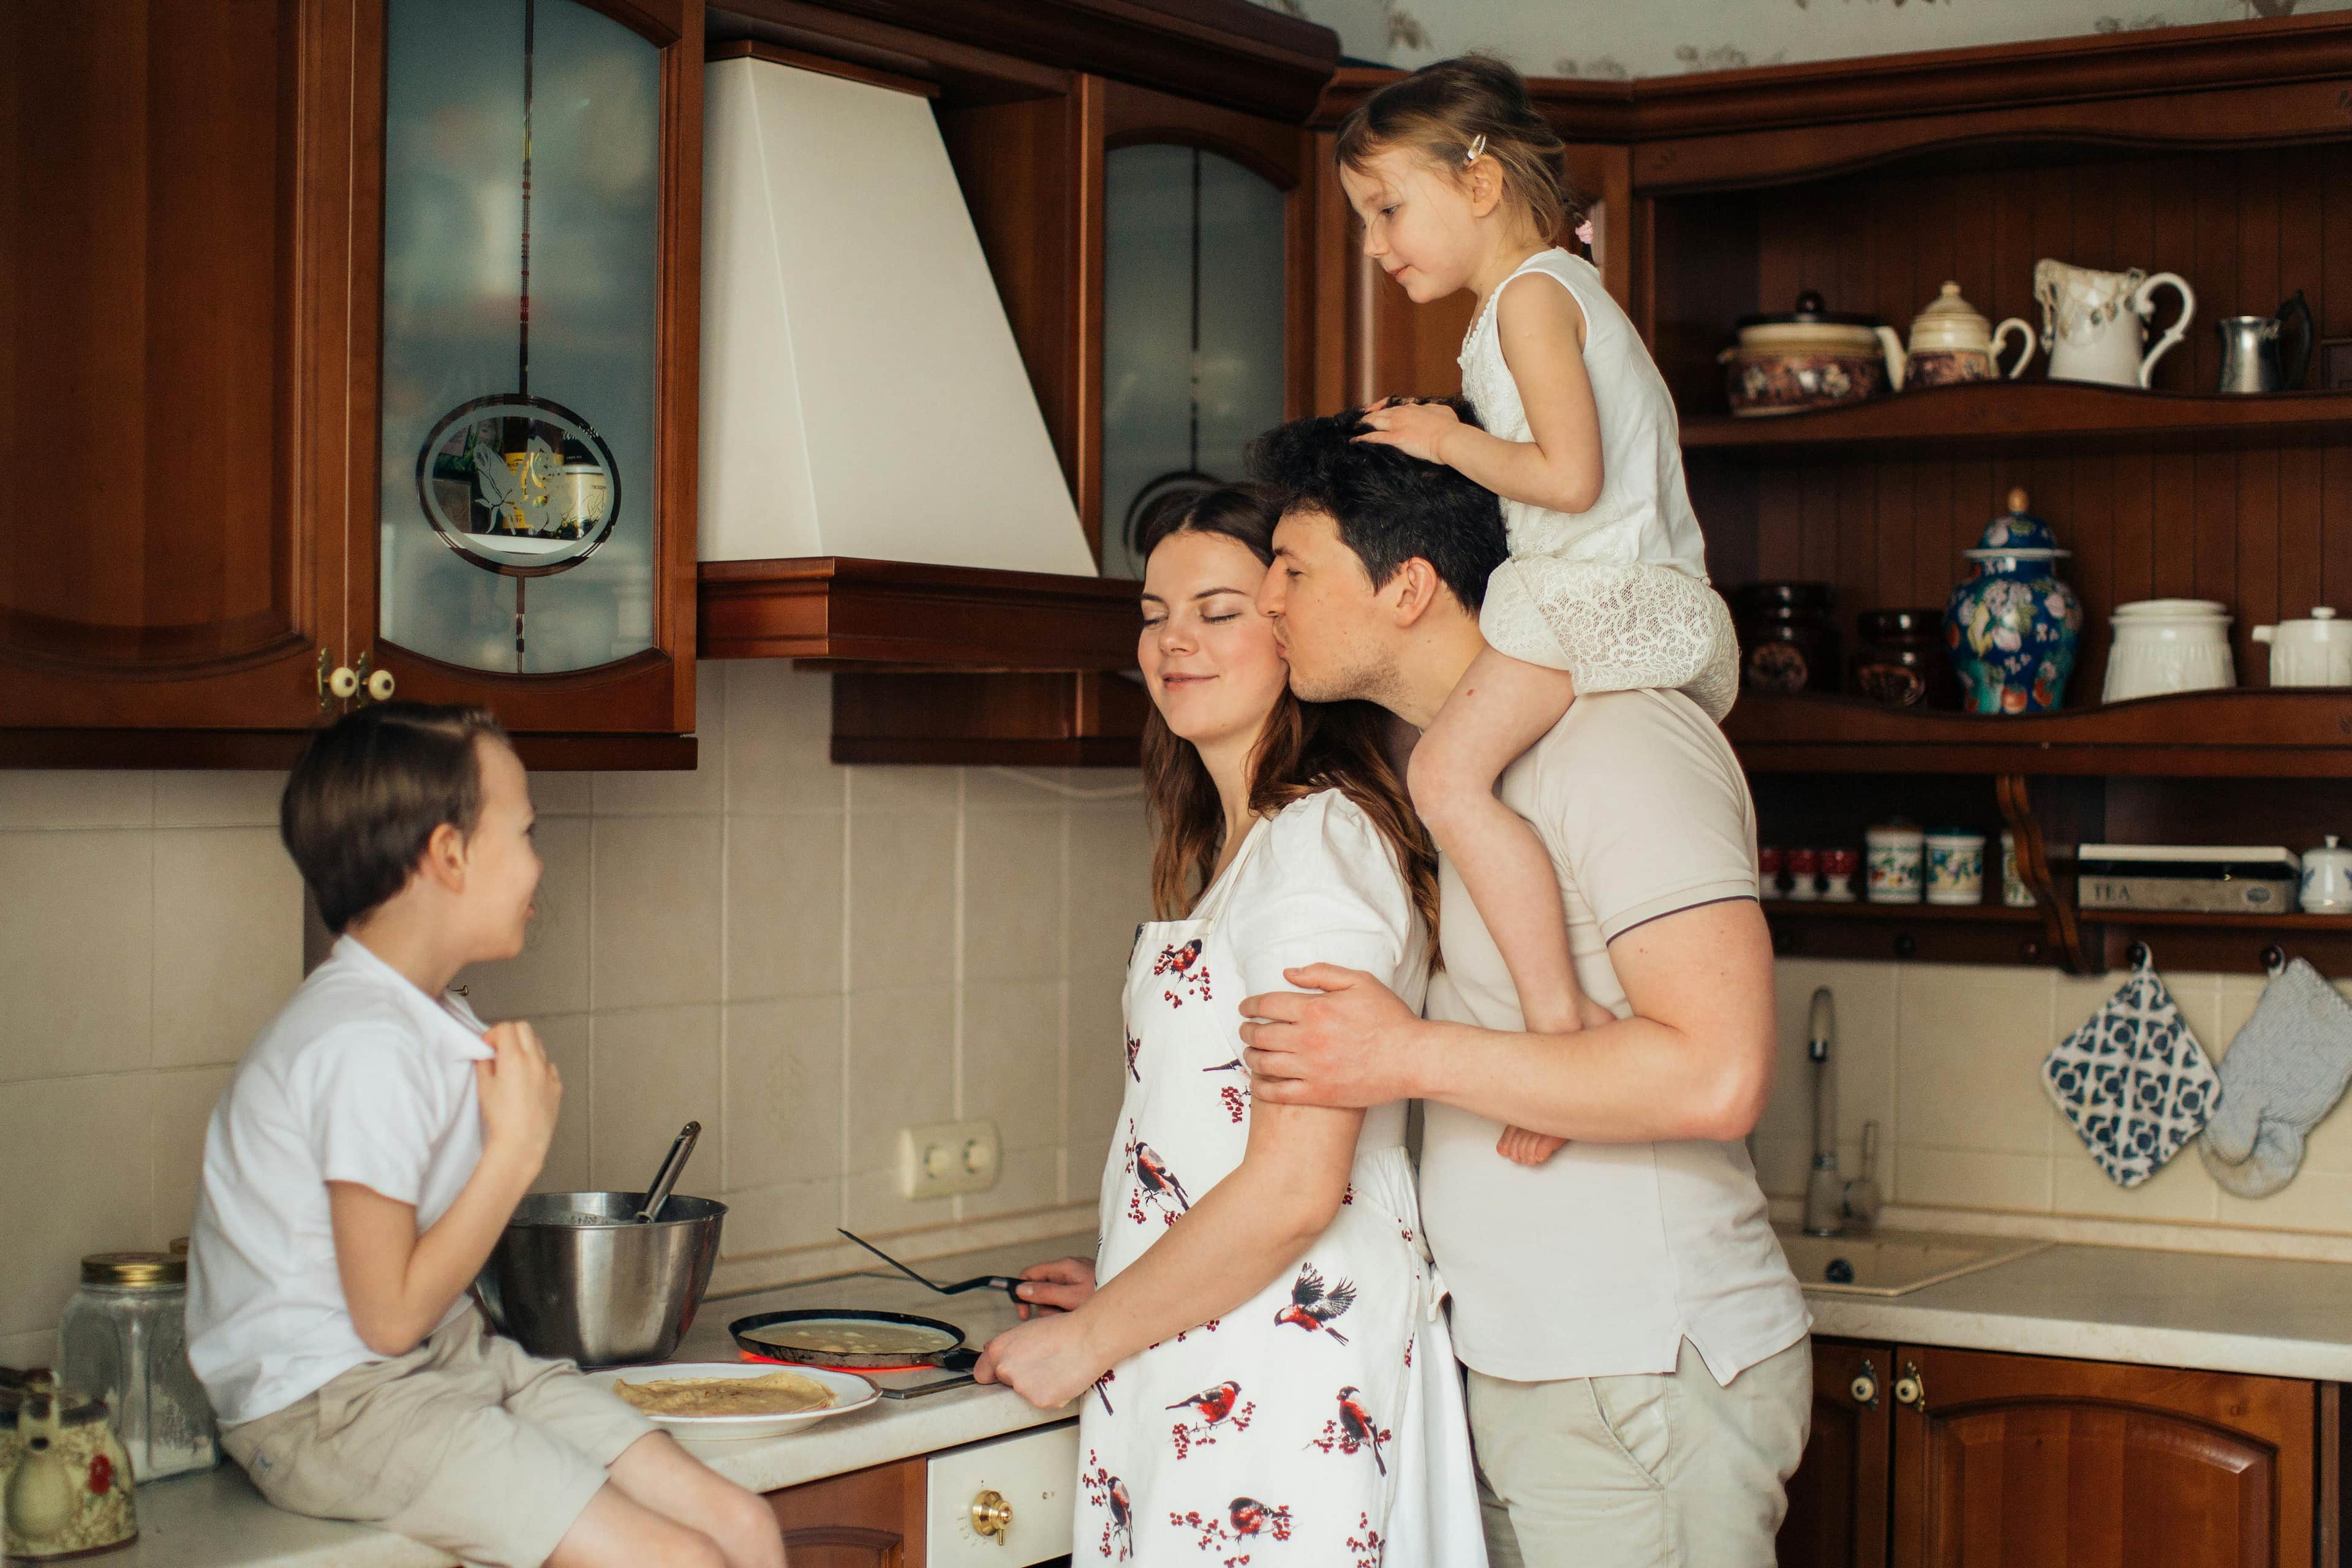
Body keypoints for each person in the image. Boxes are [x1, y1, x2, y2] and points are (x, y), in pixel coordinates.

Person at [1240, 409, 1811, 1568]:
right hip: (1543, 1369)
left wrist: (1399, 1054)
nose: (1267, 603)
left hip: (1639, 1374)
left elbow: (1719, 1071)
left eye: (1292, 571)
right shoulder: (1459, 766)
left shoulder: (1619, 737)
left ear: (1407, 586)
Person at [973, 485, 1486, 1566]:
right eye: (1155, 613)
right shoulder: (1253, 845)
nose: (1172, 643)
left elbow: (1302, 1184)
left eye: (1218, 610)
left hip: (1289, 1371)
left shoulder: (1315, 850)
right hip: (1229, 1339)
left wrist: (1088, 1341)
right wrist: (1134, 1260)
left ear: (1291, 626)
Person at [185, 704, 784, 1568]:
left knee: (743, 1527)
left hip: (454, 1362)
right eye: (526, 830)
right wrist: (516, 1152)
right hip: (332, 1408)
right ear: (449, 855)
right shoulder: (360, 1044)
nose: (540, 862)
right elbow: (386, 1318)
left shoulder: (427, 1017)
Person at [1335, 57, 1740, 1166]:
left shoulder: (1530, 300)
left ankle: (1558, 1029)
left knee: (1444, 778)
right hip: (1607, 591)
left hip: (1592, 591)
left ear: (1476, 185)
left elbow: (1568, 478)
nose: (1377, 246)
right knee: (1479, 780)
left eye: (1387, 209)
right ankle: (1556, 1020)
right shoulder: (1543, 296)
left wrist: (1441, 437)